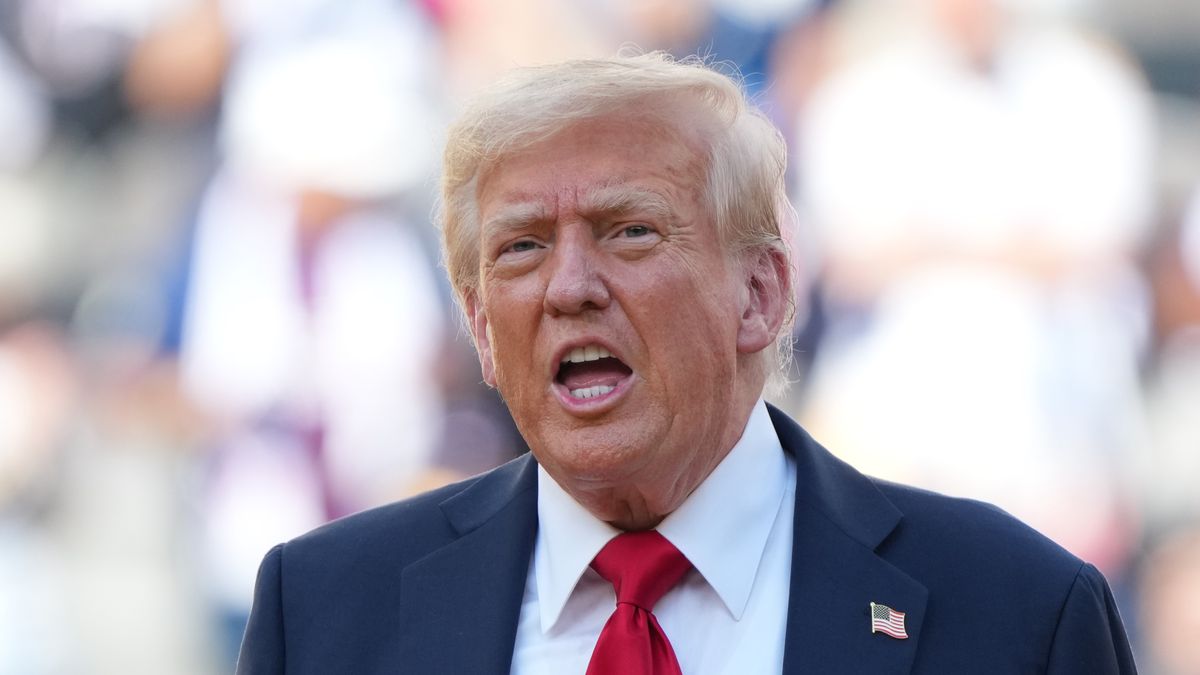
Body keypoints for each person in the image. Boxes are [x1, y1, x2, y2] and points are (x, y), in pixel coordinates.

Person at [236, 53, 1136, 674]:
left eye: (630, 231)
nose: (569, 286)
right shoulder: (322, 611)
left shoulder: (1016, 610)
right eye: (520, 248)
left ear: (761, 293)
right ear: (478, 325)